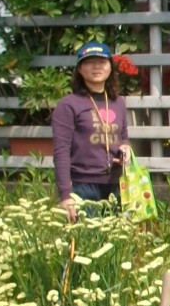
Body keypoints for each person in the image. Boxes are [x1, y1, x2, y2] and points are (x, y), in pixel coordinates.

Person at [52, 41, 130, 221]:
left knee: (117, 237)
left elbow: (123, 138)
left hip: (116, 185)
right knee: (87, 237)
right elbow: (61, 151)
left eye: (102, 62)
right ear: (80, 69)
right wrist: (65, 195)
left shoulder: (118, 102)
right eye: (89, 62)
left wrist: (125, 149)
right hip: (83, 187)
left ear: (110, 67)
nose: (97, 67)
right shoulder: (69, 105)